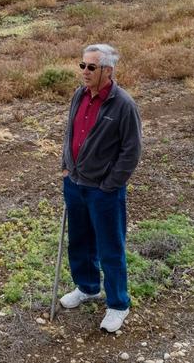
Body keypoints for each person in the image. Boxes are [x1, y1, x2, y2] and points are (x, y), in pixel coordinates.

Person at [59, 43, 142, 332]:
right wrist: (66, 166)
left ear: (108, 70)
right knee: (80, 242)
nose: (84, 72)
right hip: (75, 184)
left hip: (103, 191)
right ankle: (88, 287)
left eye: (91, 67)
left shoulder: (123, 105)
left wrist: (110, 184)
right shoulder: (79, 95)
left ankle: (119, 304)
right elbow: (70, 131)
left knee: (110, 247)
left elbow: (131, 151)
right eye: (82, 65)